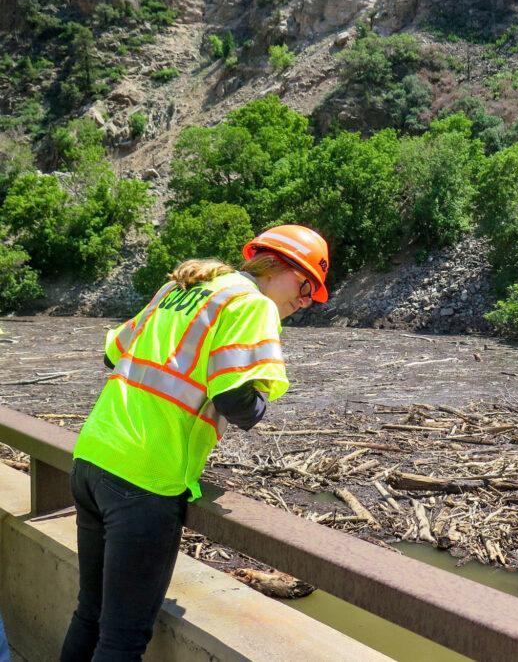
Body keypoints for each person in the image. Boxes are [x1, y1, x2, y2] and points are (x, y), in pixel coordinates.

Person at [60, 225, 329, 662]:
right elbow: (236, 401)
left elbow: (113, 353)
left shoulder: (181, 287)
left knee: (89, 614)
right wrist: (261, 402)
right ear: (279, 266)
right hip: (146, 477)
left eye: (311, 296)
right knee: (122, 639)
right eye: (305, 286)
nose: (304, 302)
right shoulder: (251, 303)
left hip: (93, 457)